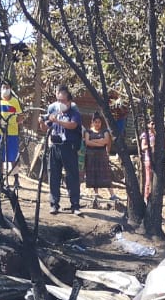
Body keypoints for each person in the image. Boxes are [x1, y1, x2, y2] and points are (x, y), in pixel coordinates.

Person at [45, 84, 83, 215]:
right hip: (55, 146)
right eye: (58, 100)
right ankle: (54, 204)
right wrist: (42, 121)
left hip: (69, 147)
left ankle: (75, 205)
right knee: (53, 176)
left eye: (62, 101)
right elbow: (46, 127)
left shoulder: (74, 113)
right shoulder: (53, 111)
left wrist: (58, 121)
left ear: (69, 101)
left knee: (72, 176)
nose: (60, 103)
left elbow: (73, 125)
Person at [83, 111, 115, 209]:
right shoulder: (88, 131)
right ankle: (96, 193)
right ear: (92, 122)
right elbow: (87, 142)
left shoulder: (104, 131)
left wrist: (94, 141)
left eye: (99, 122)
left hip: (102, 155)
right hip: (91, 155)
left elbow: (106, 141)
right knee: (93, 174)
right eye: (95, 122)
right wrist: (99, 143)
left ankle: (112, 194)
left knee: (106, 174)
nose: (97, 124)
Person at [0, 79, 20, 175]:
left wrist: (16, 121)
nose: (5, 89)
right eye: (3, 87)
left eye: (7, 87)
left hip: (12, 133)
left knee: (13, 156)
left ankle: (15, 178)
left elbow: (20, 116)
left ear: (11, 88)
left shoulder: (15, 101)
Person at [138, 119, 156, 201]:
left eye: (154, 124)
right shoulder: (145, 135)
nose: (153, 125)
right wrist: (151, 145)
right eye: (152, 123)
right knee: (148, 179)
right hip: (148, 158)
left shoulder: (157, 135)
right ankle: (146, 197)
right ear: (148, 124)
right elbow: (143, 147)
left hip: (157, 159)